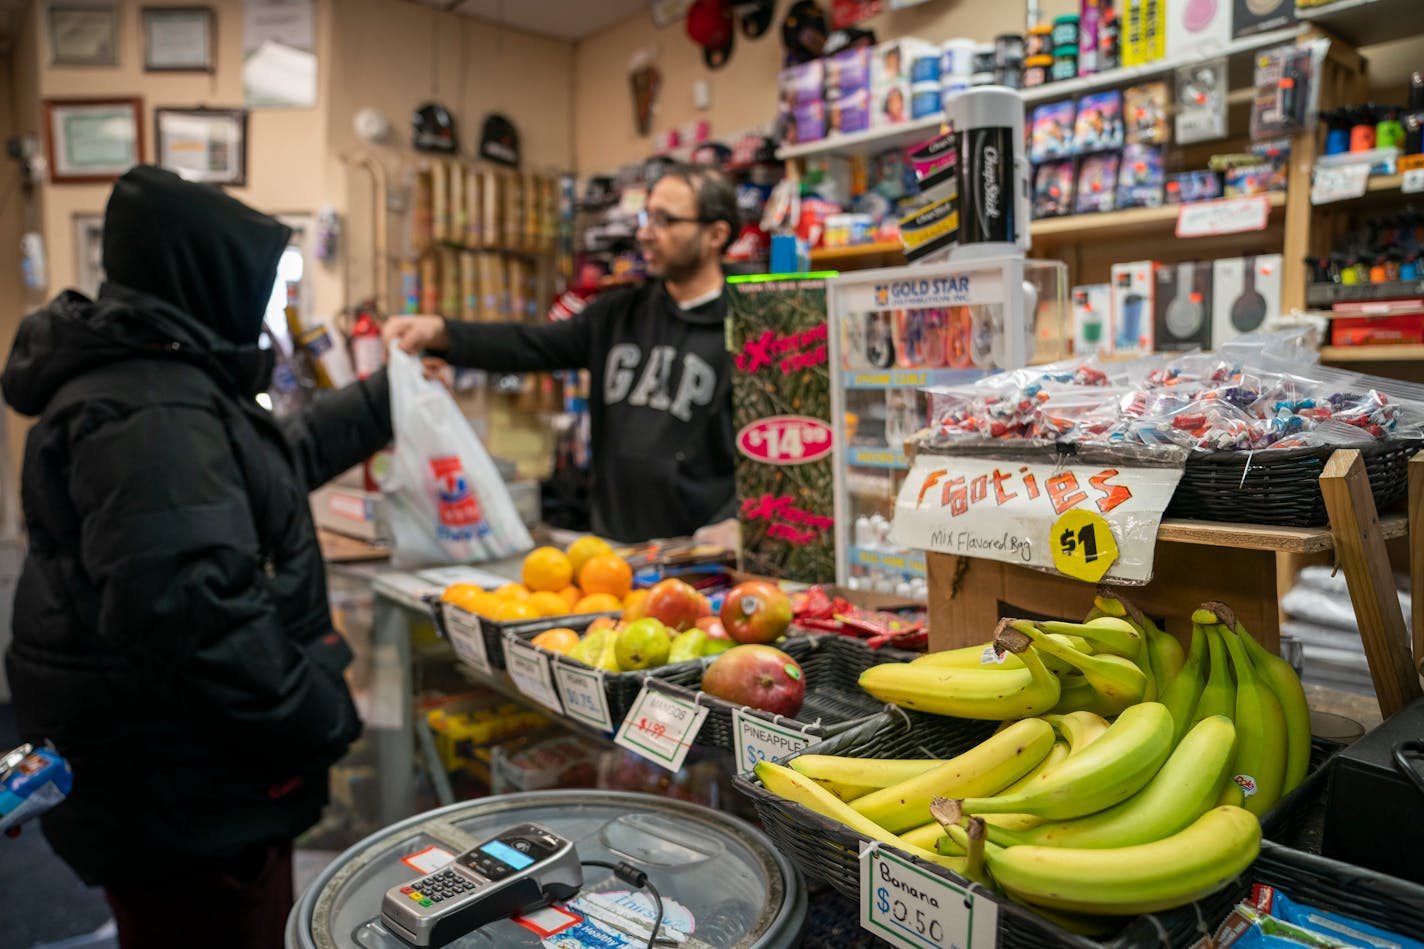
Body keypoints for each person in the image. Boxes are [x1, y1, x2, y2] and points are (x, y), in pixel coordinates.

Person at [1, 165, 392, 948]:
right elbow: (193, 615)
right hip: (189, 794)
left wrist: (391, 396)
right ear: (205, 277)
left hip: (166, 781)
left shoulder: (156, 382)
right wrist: (319, 711)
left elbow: (266, 463)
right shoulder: (153, 410)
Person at [385, 163, 739, 544]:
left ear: (715, 234)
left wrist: (736, 520)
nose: (645, 233)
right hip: (614, 554)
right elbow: (529, 344)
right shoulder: (617, 314)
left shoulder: (753, 328)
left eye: (665, 220)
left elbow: (776, 451)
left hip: (702, 564)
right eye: (645, 217)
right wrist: (442, 333)